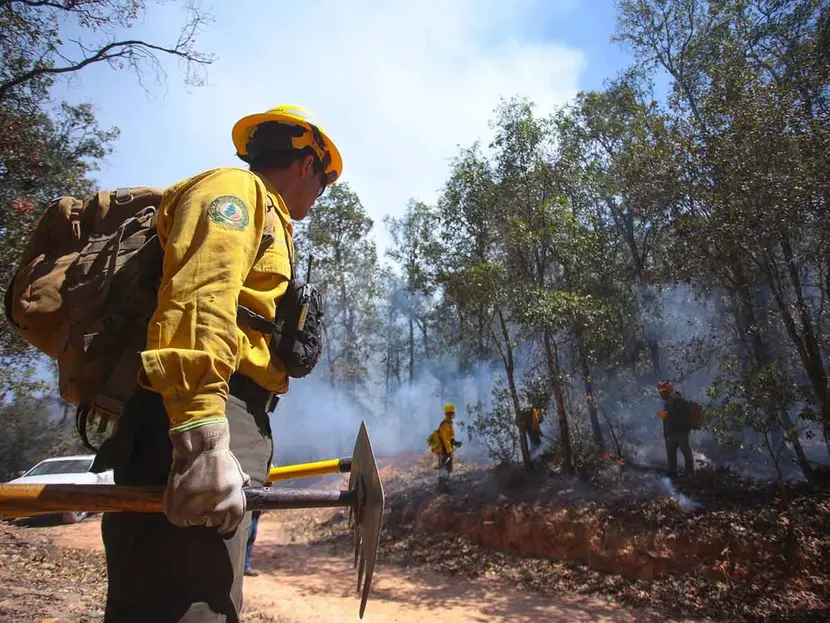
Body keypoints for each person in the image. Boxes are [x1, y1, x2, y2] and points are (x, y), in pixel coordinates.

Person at [93, 105, 343, 622]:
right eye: (326, 179)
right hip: (202, 412)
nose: (322, 193)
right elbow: (198, 301)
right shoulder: (233, 190)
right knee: (189, 608)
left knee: (193, 600)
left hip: (223, 412)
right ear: (306, 165)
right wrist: (202, 439)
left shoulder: (269, 215)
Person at [656, 380, 695, 477]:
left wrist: (685, 429)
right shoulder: (667, 403)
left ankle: (689, 472)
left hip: (680, 432)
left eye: (662, 392)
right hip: (672, 433)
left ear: (667, 391)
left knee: (686, 452)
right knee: (671, 453)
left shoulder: (678, 400)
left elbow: (686, 415)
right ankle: (672, 472)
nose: (661, 395)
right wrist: (666, 433)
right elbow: (666, 419)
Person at [436, 403, 462, 493]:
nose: (452, 414)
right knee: (445, 468)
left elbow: (450, 437)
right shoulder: (445, 424)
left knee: (445, 467)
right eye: (450, 412)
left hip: (446, 449)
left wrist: (455, 442)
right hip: (444, 450)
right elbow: (445, 440)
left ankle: (441, 487)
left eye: (452, 412)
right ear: (447, 413)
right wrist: (449, 452)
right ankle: (443, 487)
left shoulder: (449, 423)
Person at [244, 510, 263, 577]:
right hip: (248, 509)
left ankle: (246, 567)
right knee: (246, 537)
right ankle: (240, 567)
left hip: (255, 511)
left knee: (252, 536)